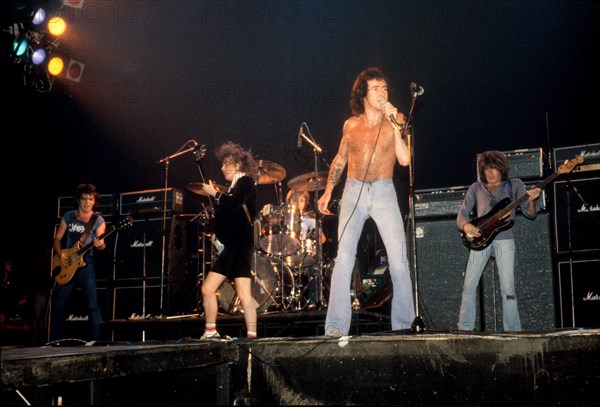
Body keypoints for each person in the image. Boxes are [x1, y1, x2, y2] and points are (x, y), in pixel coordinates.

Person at [317, 67, 415, 336]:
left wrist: (394, 121)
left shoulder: (396, 119)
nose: (383, 92)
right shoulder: (351, 125)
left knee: (398, 260)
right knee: (344, 258)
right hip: (352, 191)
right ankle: (336, 327)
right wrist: (328, 192)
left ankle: (404, 326)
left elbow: (405, 159)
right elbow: (340, 160)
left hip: (384, 192)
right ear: (363, 93)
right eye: (376, 88)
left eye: (385, 88)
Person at [456, 150, 541, 332]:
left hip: (505, 241)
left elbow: (530, 213)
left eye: (494, 168)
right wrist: (466, 226)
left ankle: (513, 332)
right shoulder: (476, 188)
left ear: (502, 169)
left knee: (508, 289)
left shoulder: (515, 185)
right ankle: (464, 330)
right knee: (468, 286)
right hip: (480, 240)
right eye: (486, 169)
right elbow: (461, 215)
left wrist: (533, 200)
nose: (490, 173)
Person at [199, 141, 259, 339]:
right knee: (207, 288)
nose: (222, 168)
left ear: (238, 165)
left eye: (226, 164)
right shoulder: (231, 187)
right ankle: (210, 331)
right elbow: (226, 215)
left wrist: (215, 194)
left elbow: (234, 204)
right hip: (231, 246)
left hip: (241, 245)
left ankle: (252, 335)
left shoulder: (246, 182)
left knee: (243, 293)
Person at [51, 183, 106, 342]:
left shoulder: (98, 220)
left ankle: (97, 341)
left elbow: (102, 244)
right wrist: (59, 252)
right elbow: (57, 239)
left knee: (92, 305)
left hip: (85, 264)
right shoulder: (69, 216)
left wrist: (100, 245)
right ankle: (57, 340)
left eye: (91, 199)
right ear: (78, 200)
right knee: (60, 304)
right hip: (67, 263)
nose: (88, 202)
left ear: (94, 201)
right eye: (84, 199)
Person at [284, 189, 326, 308]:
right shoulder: (284, 219)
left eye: (301, 200)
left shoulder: (310, 220)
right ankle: (284, 300)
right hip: (286, 254)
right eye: (295, 200)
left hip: (303, 254)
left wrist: (313, 244)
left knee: (315, 265)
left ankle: (313, 301)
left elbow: (322, 238)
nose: (298, 203)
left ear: (306, 203)